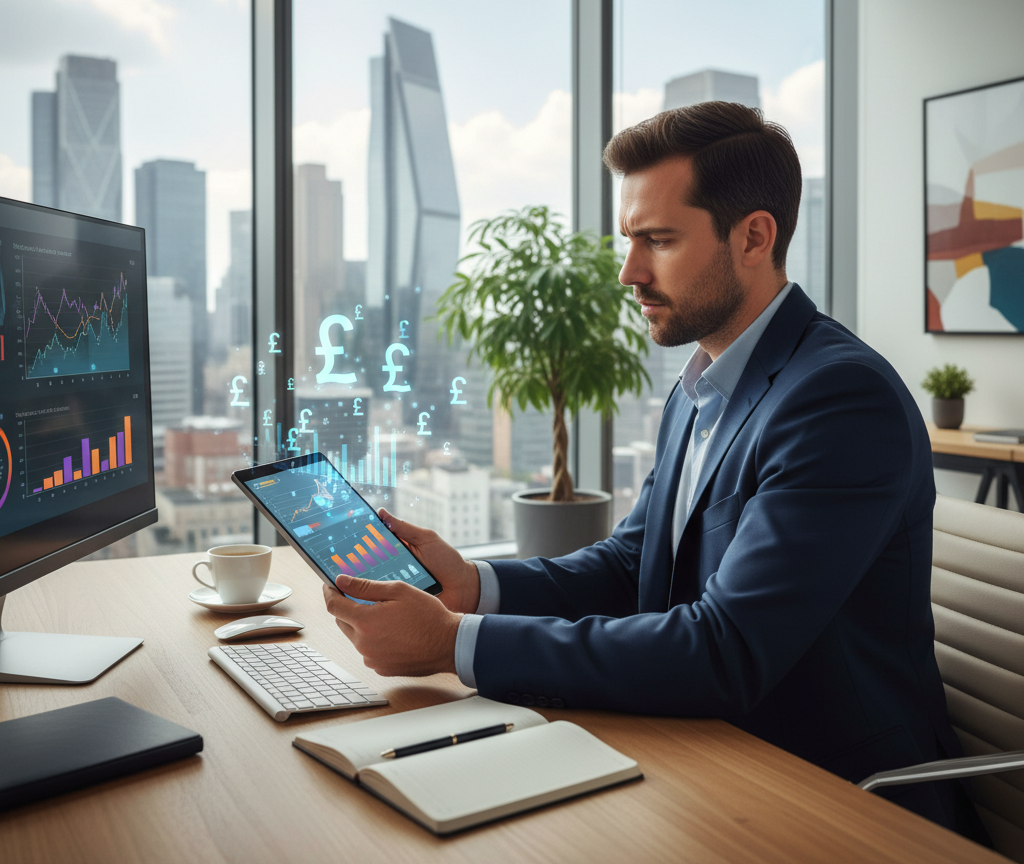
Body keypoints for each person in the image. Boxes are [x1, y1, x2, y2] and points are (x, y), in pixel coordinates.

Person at [323, 101, 984, 839]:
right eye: (628, 240)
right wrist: (479, 586)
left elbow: (726, 650)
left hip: (837, 798)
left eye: (658, 241)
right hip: (705, 757)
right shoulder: (700, 384)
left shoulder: (837, 400)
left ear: (754, 237)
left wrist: (453, 643)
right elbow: (638, 562)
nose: (629, 272)